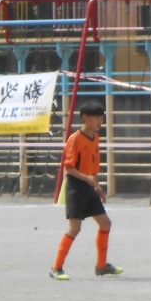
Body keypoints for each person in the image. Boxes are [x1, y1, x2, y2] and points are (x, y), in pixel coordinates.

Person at [49, 101, 122, 280]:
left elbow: (92, 167)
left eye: (101, 118)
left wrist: (96, 186)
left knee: (105, 224)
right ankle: (56, 267)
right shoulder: (75, 139)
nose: (99, 122)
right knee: (75, 228)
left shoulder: (95, 138)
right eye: (96, 118)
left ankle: (101, 266)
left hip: (89, 186)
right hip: (76, 186)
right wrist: (87, 179)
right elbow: (69, 168)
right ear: (85, 118)